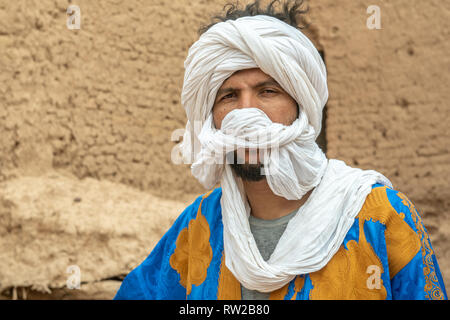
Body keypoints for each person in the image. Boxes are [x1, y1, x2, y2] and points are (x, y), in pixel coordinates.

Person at [114, 0, 447, 300]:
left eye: (267, 91)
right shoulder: (198, 227)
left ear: (301, 106)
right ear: (210, 118)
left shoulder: (380, 217)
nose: (246, 113)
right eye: (229, 96)